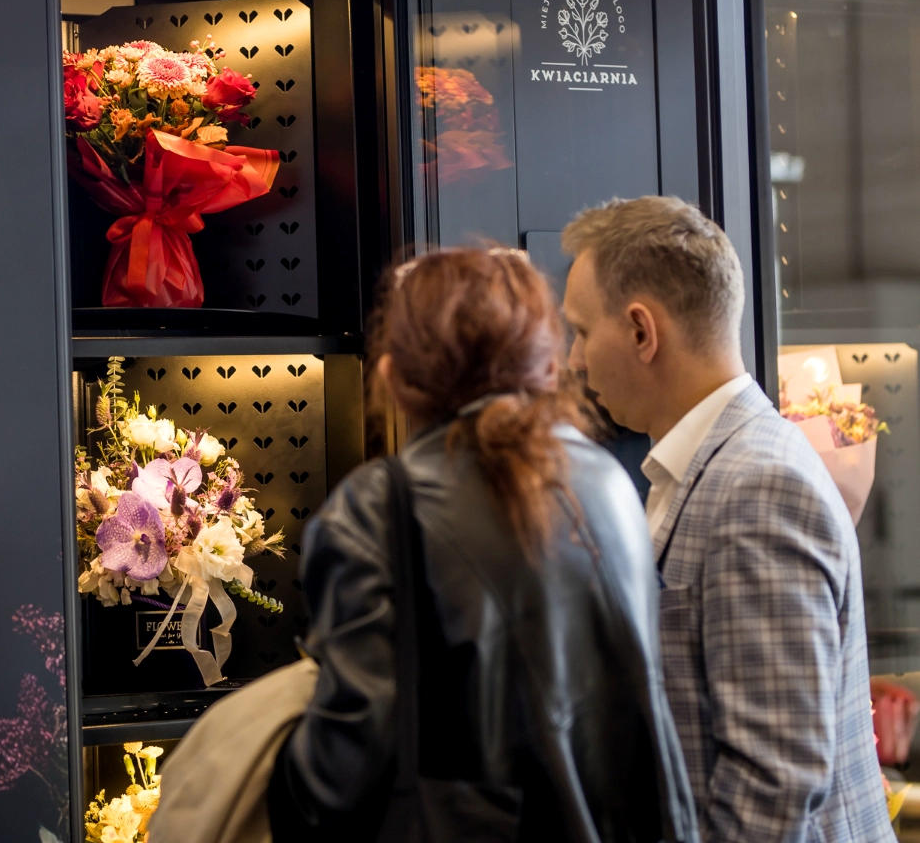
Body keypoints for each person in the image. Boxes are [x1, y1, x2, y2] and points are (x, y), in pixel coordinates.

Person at [269, 247, 698, 842]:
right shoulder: (611, 482)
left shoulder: (377, 507)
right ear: (547, 367)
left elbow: (335, 781)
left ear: (392, 375)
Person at [561, 196, 888, 842]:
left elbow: (775, 787)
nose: (574, 360)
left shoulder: (758, 487)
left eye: (581, 331)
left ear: (641, 331)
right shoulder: (711, 467)